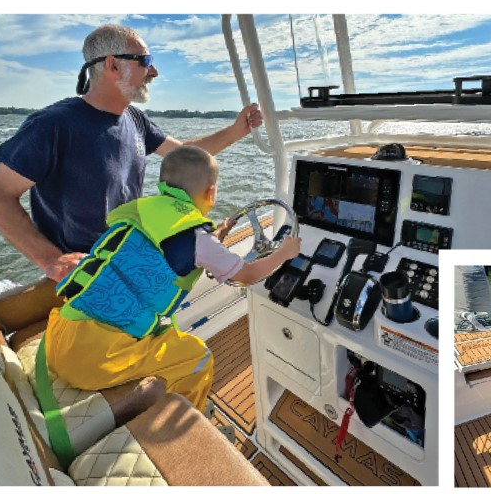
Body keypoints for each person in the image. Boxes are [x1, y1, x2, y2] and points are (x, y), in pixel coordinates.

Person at [0, 24, 263, 283]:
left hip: (128, 261)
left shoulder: (135, 119)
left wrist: (237, 130)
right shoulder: (53, 124)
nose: (154, 72)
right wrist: (50, 259)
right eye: (146, 62)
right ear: (113, 65)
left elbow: (185, 156)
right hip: (85, 276)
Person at [43, 145, 301, 410]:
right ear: (211, 193)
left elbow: (163, 251)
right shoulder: (199, 239)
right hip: (95, 359)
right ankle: (187, 417)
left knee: (166, 324)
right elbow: (247, 275)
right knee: (199, 358)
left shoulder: (142, 211)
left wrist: (216, 237)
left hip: (61, 335)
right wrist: (284, 253)